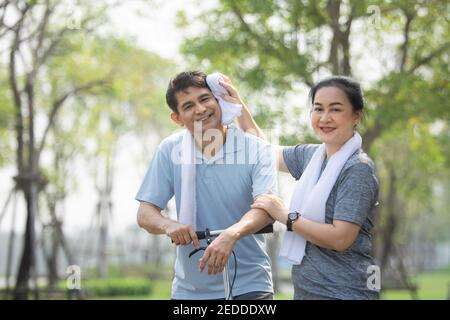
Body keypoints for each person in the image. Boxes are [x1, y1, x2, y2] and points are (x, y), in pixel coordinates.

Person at [219, 75, 380, 300]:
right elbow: (263, 151)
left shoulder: (357, 169)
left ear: (356, 116)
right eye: (318, 108)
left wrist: (286, 216)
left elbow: (341, 239)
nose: (324, 118)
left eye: (335, 109)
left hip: (346, 292)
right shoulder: (312, 156)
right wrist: (238, 107)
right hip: (308, 292)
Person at [135, 71, 277, 300]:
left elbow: (267, 208)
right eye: (188, 106)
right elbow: (145, 213)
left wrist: (231, 234)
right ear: (178, 118)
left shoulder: (256, 148)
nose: (200, 109)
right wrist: (167, 225)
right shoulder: (169, 149)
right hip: (189, 291)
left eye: (205, 99)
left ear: (218, 99)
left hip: (250, 284)